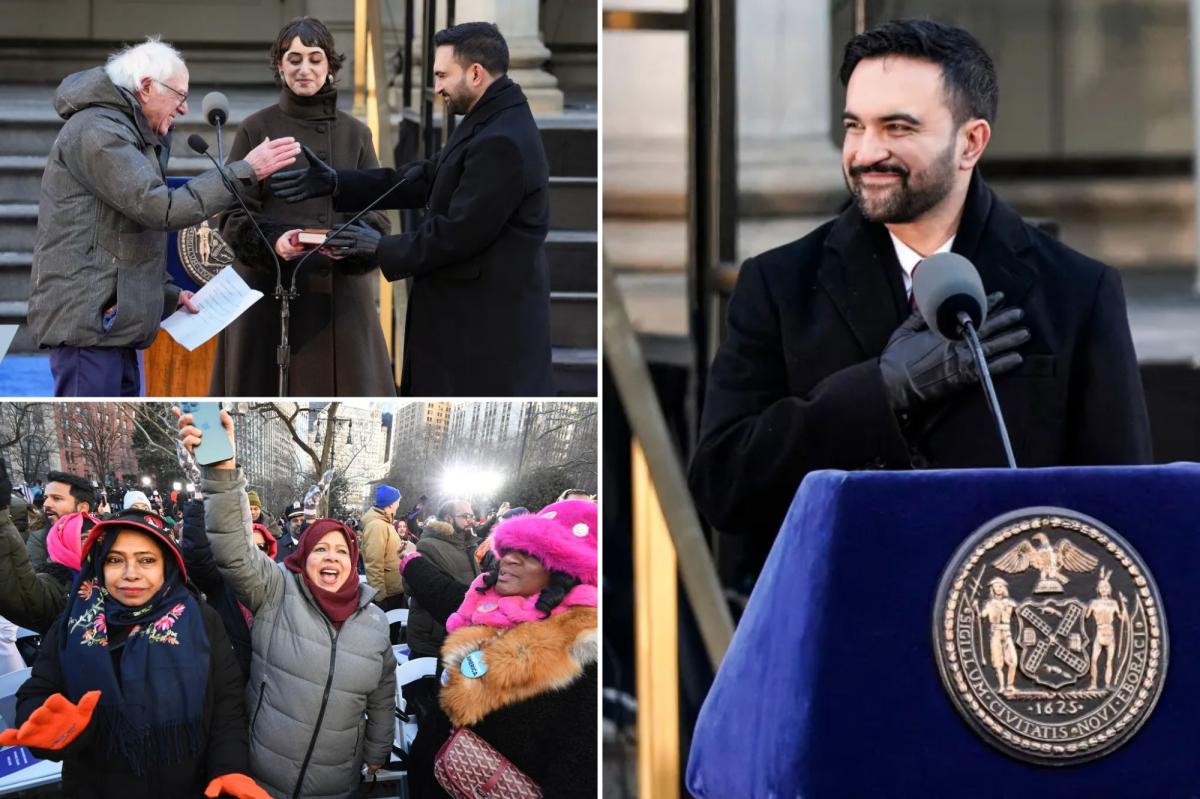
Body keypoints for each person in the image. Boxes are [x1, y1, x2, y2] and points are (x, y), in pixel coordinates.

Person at [687, 19, 1153, 581]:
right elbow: (722, 486)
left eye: (897, 127)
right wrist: (878, 391)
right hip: (841, 618)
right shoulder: (778, 283)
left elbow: (1124, 511)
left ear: (970, 143)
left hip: (1006, 622)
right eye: (854, 126)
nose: (866, 152)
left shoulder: (1078, 291)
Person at [270, 22, 553, 397]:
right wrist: (338, 183)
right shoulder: (490, 118)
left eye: (442, 75)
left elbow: (457, 235)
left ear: (475, 73)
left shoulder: (501, 139)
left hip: (483, 338)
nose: (437, 88)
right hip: (466, 327)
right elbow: (425, 177)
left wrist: (379, 247)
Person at [26, 37, 301, 397]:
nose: (184, 109)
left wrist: (166, 295)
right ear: (145, 87)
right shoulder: (98, 131)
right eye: (179, 96)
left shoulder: (124, 129)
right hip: (88, 325)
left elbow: (120, 234)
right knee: (92, 422)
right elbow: (159, 208)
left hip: (110, 323)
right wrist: (244, 171)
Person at [177, 407, 396, 797]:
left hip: (335, 784)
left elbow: (381, 696)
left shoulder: (375, 621)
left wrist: (377, 751)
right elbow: (233, 550)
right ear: (302, 557)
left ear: (353, 562)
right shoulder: (276, 589)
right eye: (320, 549)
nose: (331, 558)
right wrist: (221, 471)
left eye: (341, 551)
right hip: (261, 778)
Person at [3, 508, 267, 798]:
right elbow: (37, 693)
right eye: (115, 560)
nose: (131, 574)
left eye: (146, 560)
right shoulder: (72, 624)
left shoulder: (202, 621)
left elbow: (227, 708)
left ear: (167, 565)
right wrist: (51, 728)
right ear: (99, 564)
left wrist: (229, 768)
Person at [211, 17, 394, 396]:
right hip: (268, 291)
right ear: (280, 66)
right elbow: (231, 214)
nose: (304, 69)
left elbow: (377, 214)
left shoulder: (357, 133)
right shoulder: (255, 128)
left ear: (330, 65)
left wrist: (350, 244)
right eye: (294, 60)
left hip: (338, 297)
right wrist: (274, 242)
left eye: (314, 58)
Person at [405, 500, 598, 798]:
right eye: (509, 548)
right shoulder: (484, 610)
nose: (509, 559)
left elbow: (578, 775)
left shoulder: (583, 655)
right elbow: (442, 593)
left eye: (530, 553)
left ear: (568, 570)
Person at [408, 499, 481, 660]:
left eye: (472, 516)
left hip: (460, 636)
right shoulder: (428, 545)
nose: (471, 520)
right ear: (448, 518)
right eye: (465, 516)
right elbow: (420, 588)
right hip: (433, 639)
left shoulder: (467, 545)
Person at [27, 470, 95, 571]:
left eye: (57, 498)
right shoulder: (39, 539)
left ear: (82, 508)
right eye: (45, 498)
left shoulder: (102, 533)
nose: (46, 504)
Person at [361, 484, 413, 612]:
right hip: (387, 596)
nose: (398, 504)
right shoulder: (377, 526)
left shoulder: (385, 523)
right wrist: (379, 597)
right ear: (390, 504)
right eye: (397, 501)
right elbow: (374, 564)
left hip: (393, 591)